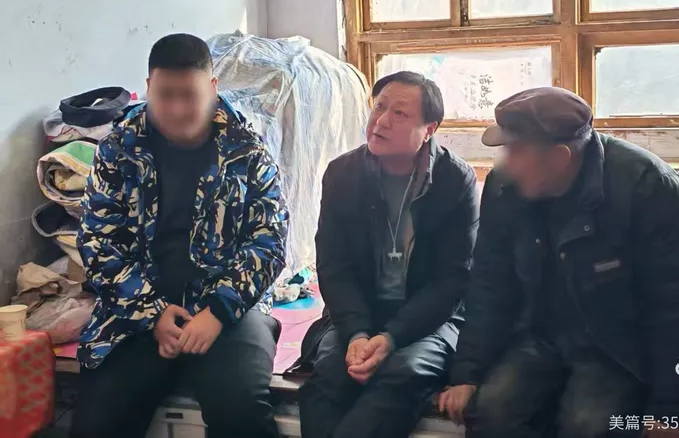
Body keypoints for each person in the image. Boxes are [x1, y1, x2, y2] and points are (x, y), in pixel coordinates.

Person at [438, 87, 679, 438]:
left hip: (622, 343)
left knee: (588, 424)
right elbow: (489, 283)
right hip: (542, 332)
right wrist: (468, 372)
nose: (505, 163)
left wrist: (675, 409)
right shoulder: (505, 185)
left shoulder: (648, 186)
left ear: (560, 157)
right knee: (490, 411)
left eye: (515, 151)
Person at [70, 34, 289, 438]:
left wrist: (218, 311)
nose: (176, 109)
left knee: (240, 408)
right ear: (148, 87)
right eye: (165, 95)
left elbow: (269, 241)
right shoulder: (119, 150)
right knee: (97, 419)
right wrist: (152, 314)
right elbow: (98, 242)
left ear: (212, 88)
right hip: (138, 310)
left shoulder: (246, 150)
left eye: (189, 95)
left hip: (229, 311)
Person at [298, 71, 479, 438]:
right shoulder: (343, 174)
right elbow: (333, 266)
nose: (380, 121)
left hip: (429, 319)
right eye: (379, 107)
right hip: (357, 314)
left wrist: (392, 337)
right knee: (331, 375)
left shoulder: (454, 180)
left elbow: (451, 281)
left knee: (404, 374)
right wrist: (357, 333)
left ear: (429, 129)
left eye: (399, 113)